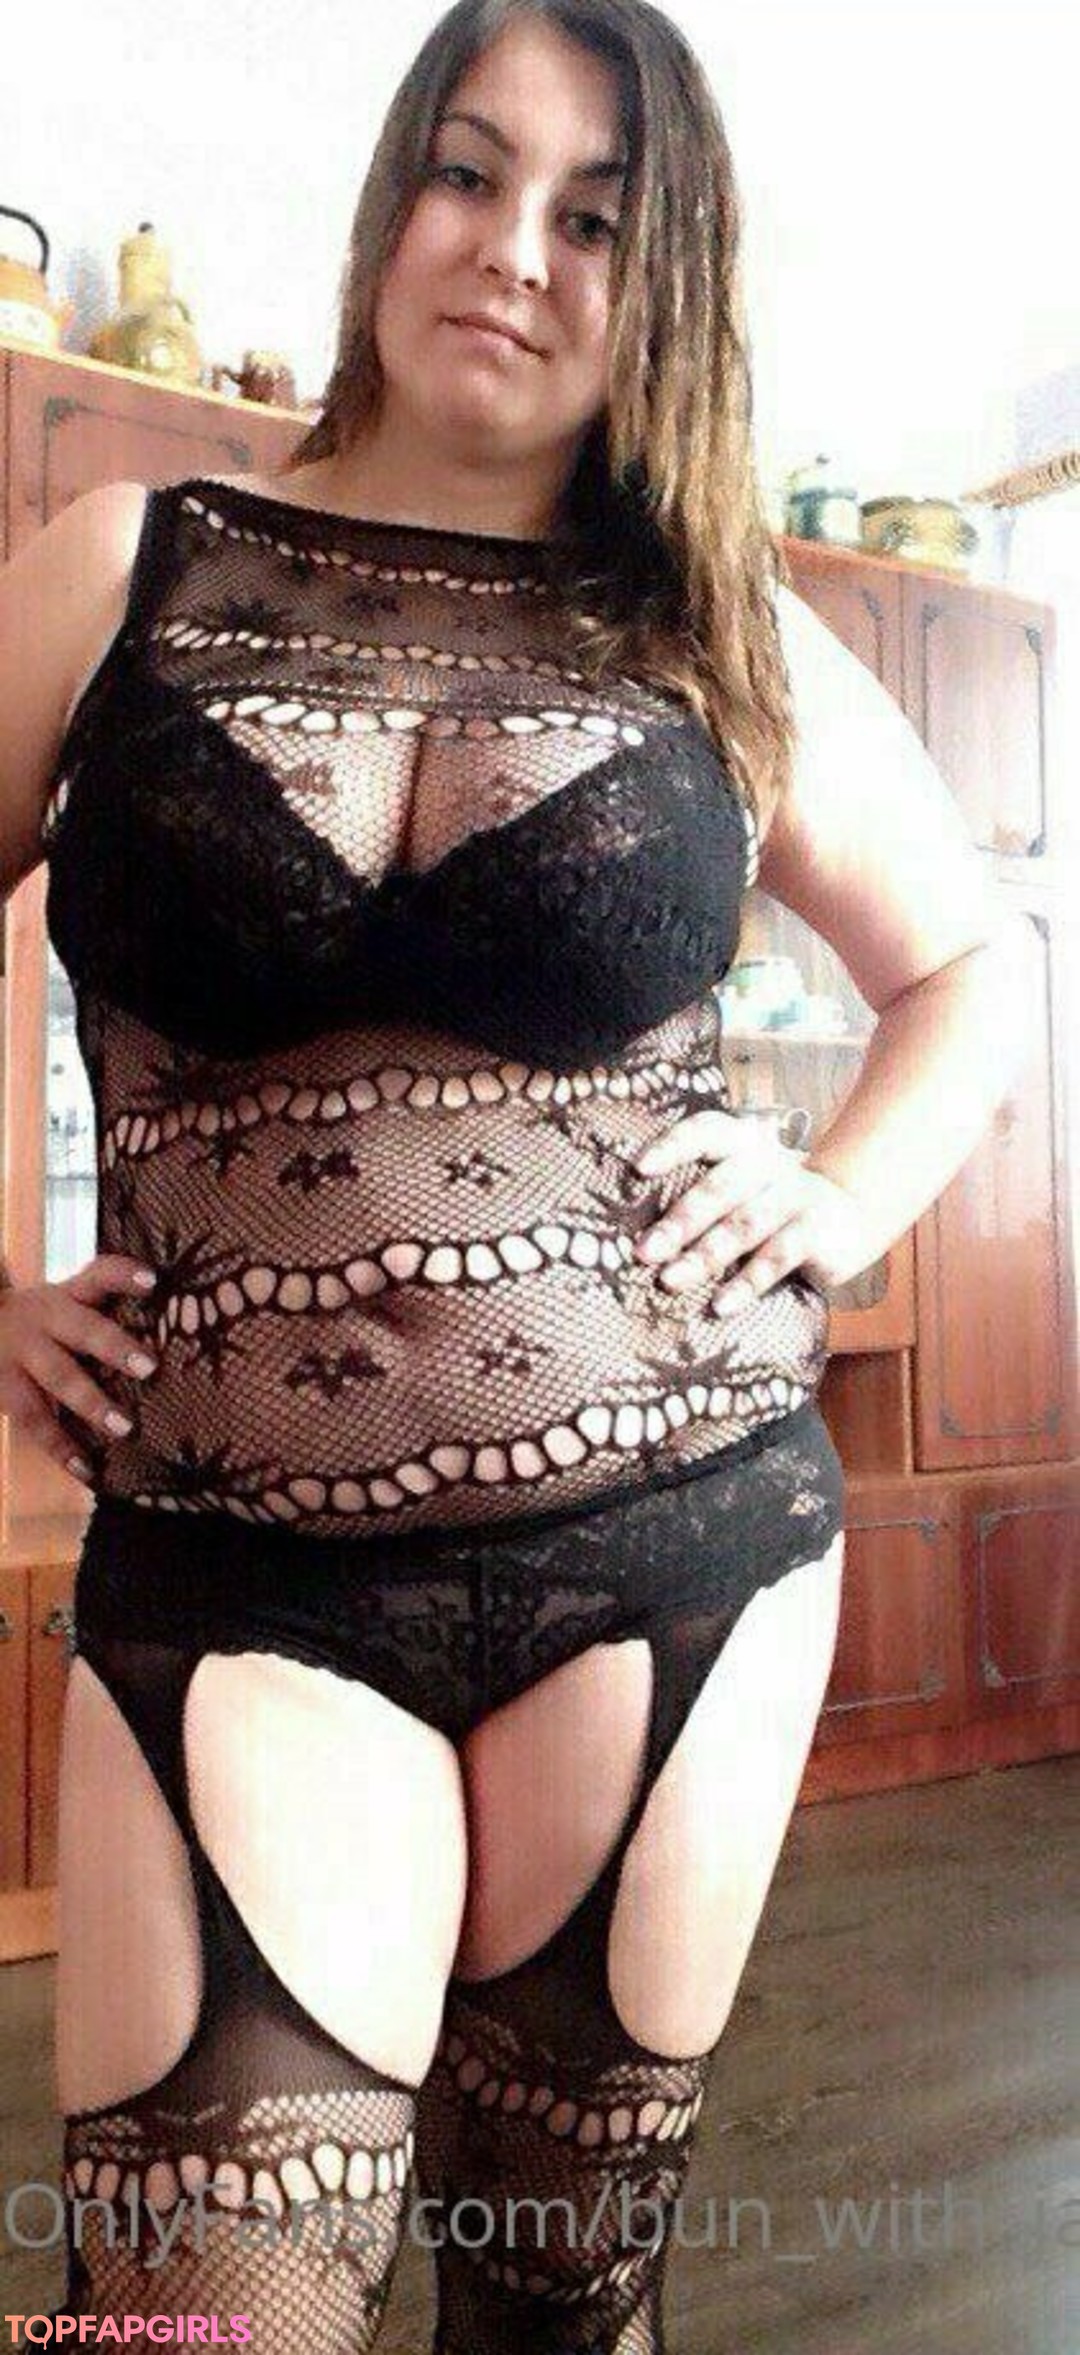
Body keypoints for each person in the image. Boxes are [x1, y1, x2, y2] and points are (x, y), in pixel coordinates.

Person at [0, 2, 1035, 2348]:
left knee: (556, 2299)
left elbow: (977, 966)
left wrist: (843, 1198)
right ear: (394, 197)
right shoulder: (124, 563)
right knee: (189, 2314)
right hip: (238, 1579)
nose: (515, 250)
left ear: (665, 287)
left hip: (682, 1546)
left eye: (597, 217)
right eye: (472, 175)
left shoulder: (718, 631)